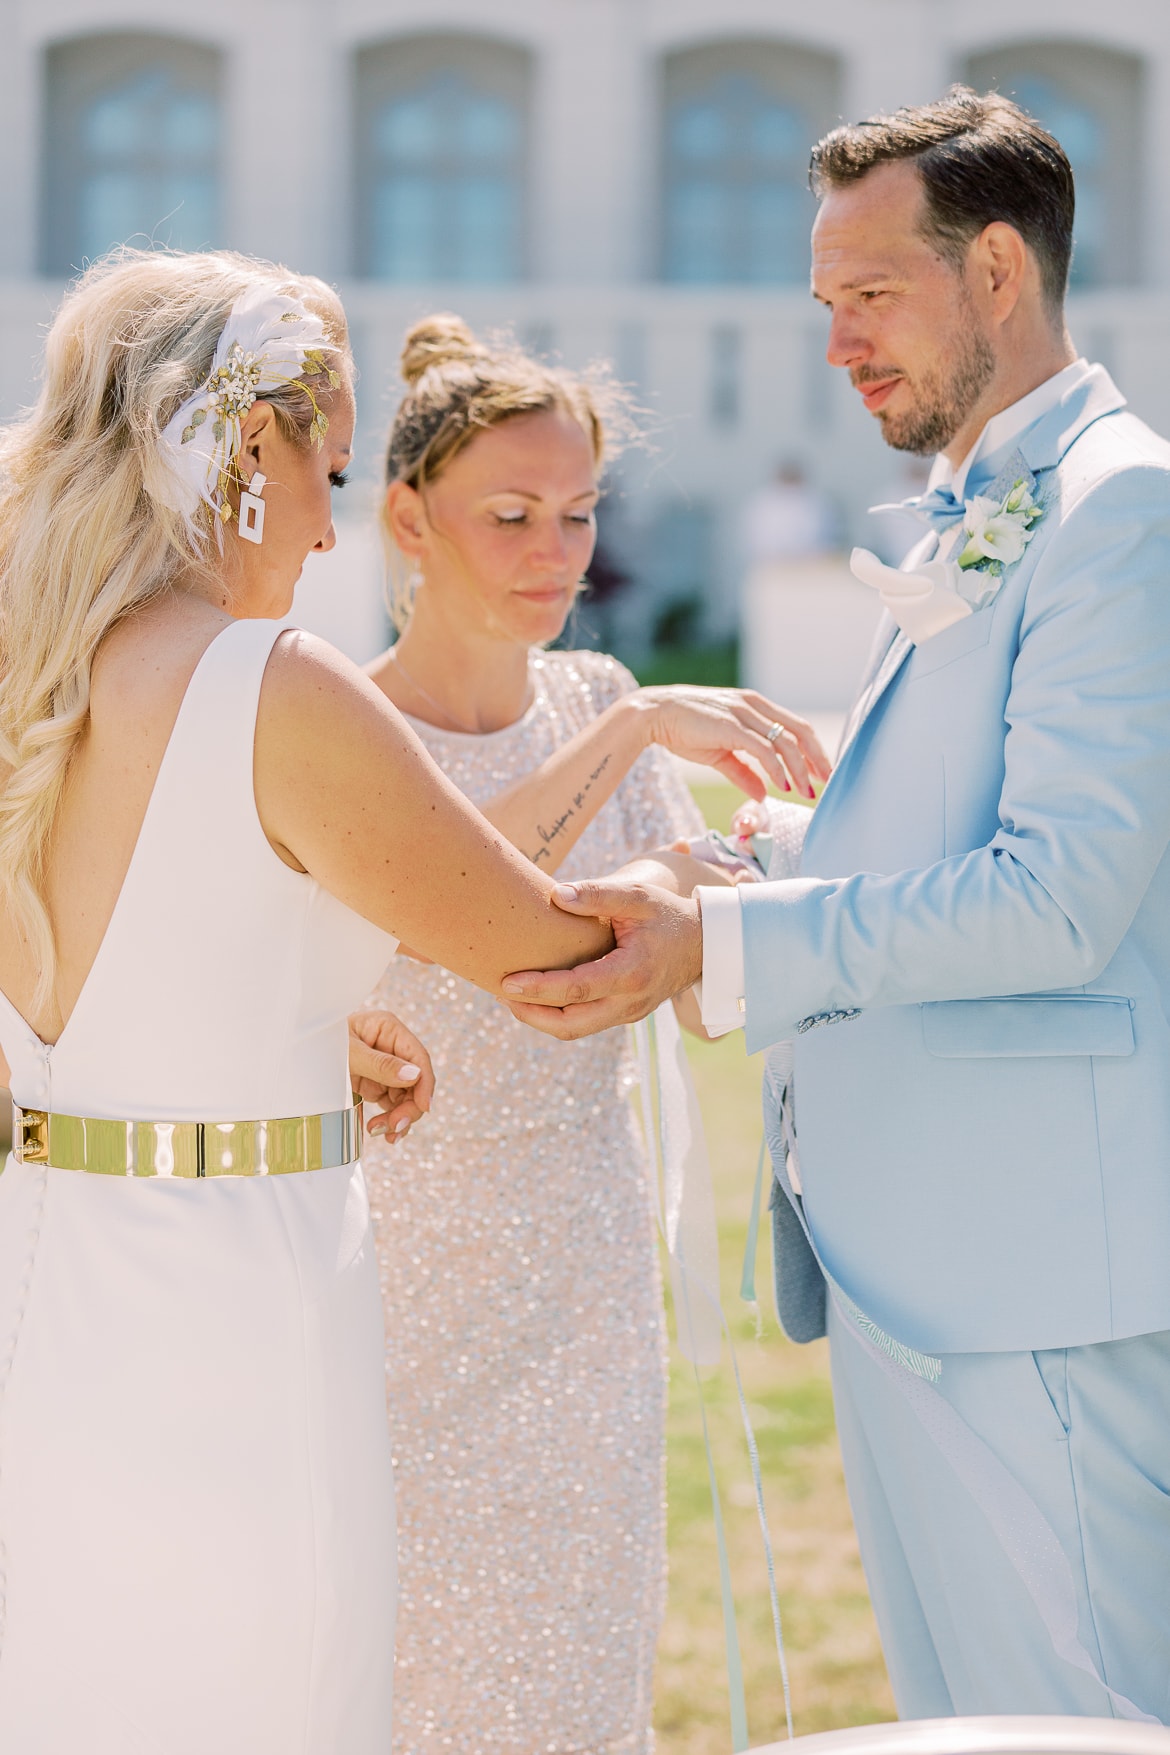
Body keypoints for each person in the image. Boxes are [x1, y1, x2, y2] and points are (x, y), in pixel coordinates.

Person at [503, 89, 1170, 1724]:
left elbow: (1058, 897)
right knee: (974, 1721)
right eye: (823, 305)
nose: (833, 344)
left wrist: (725, 947)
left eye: (866, 296)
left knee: (1071, 1722)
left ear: (996, 270)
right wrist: (763, 853)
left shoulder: (1114, 510)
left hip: (1034, 1287)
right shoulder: (985, 506)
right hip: (916, 1276)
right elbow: (948, 832)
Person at [0, 248, 642, 1754]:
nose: (332, 521)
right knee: (273, 1693)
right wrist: (735, 899)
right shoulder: (272, 681)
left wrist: (276, 1021)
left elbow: (121, 957)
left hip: (47, 1286)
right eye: (328, 468)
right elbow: (537, 947)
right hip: (239, 1306)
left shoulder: (30, 671)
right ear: (241, 448)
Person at [361, 314, 829, 1752]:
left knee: (576, 1641)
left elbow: (670, 980)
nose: (551, 550)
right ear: (404, 521)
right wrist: (627, 753)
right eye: (507, 515)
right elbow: (456, 907)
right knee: (410, 1652)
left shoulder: (590, 691)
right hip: (397, 1263)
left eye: (574, 515)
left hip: (582, 1253)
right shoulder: (346, 727)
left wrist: (732, 879)